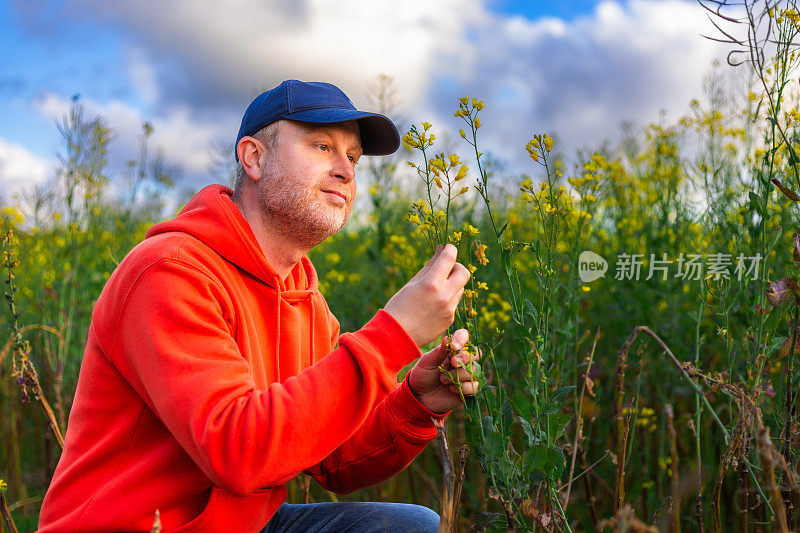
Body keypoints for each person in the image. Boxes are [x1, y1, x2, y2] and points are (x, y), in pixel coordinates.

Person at [38, 80, 479, 532]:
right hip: (140, 525)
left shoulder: (306, 299)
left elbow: (336, 459)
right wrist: (395, 333)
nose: (346, 171)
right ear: (254, 157)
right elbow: (237, 452)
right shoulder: (169, 271)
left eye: (352, 157)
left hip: (245, 522)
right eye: (322, 146)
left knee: (408, 526)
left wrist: (417, 402)